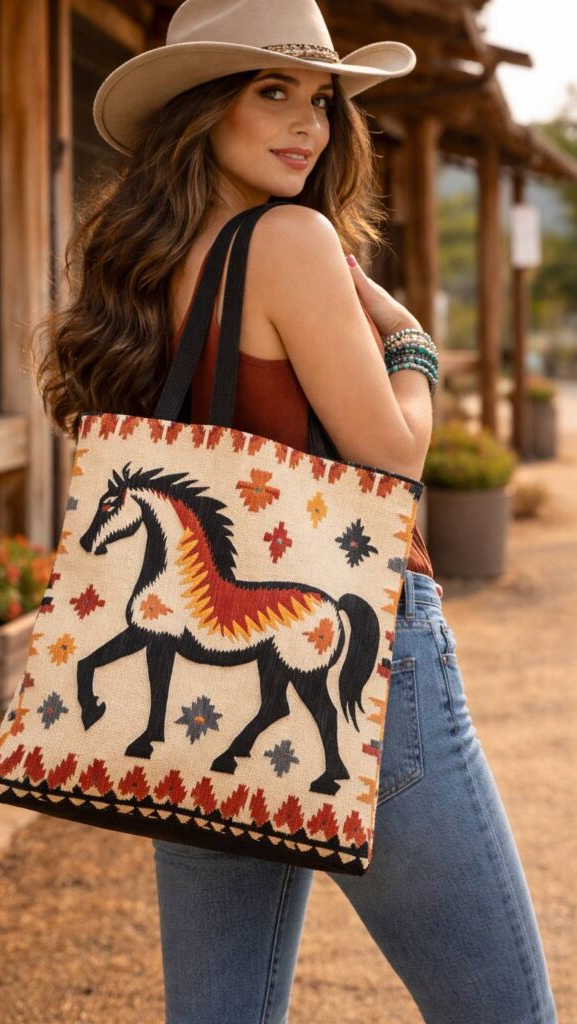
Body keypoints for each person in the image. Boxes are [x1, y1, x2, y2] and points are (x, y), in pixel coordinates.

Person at [33, 2, 558, 1021]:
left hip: (194, 694)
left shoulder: (146, 263)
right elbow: (395, 454)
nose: (307, 125)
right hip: (355, 658)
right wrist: (408, 341)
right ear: (199, 109)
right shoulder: (289, 238)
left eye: (319, 99)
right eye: (269, 91)